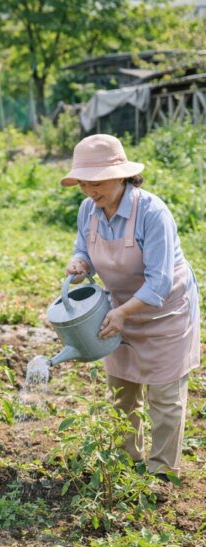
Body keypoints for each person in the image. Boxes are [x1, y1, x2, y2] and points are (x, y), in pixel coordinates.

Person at [63, 134, 200, 483]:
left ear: (120, 176)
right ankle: (126, 464)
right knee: (122, 392)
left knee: (165, 398)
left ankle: (162, 473)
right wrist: (80, 263)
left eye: (96, 182)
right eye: (83, 183)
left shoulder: (152, 213)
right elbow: (83, 248)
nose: (89, 191)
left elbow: (159, 283)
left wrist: (123, 313)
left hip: (165, 313)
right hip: (119, 309)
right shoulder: (88, 210)